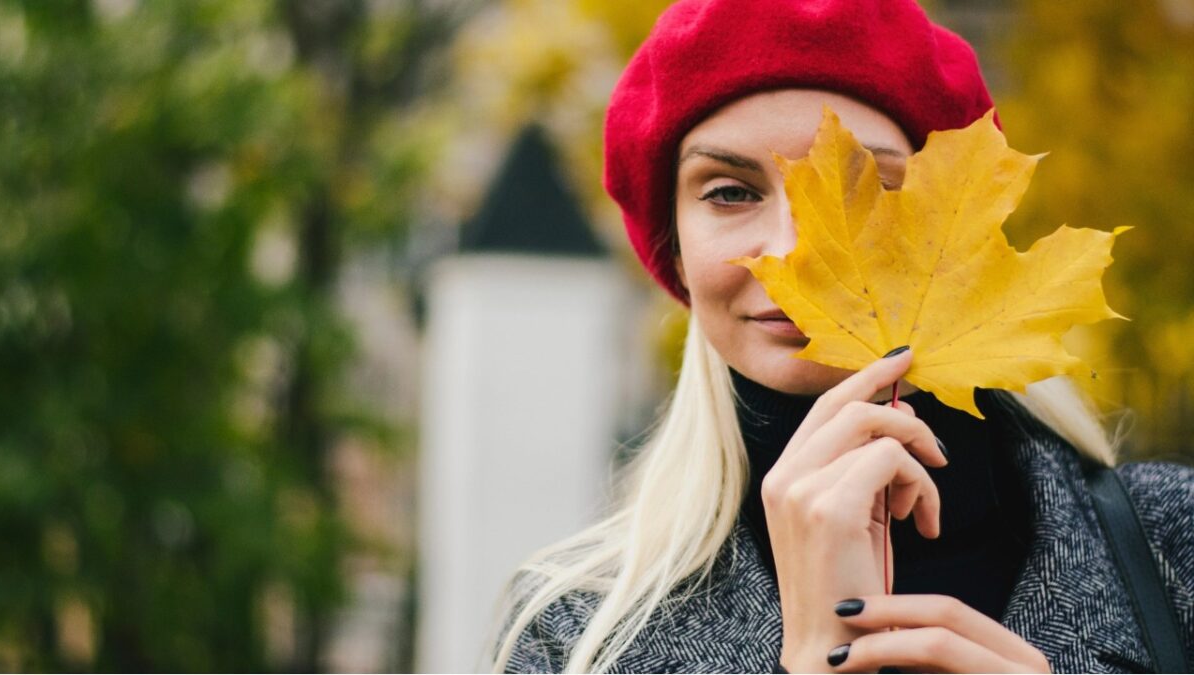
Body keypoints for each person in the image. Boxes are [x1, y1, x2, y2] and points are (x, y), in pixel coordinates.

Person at [486, 0, 1194, 672]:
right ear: (674, 250)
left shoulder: (1174, 546)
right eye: (730, 191)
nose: (795, 251)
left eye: (866, 190)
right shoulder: (574, 632)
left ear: (958, 239)